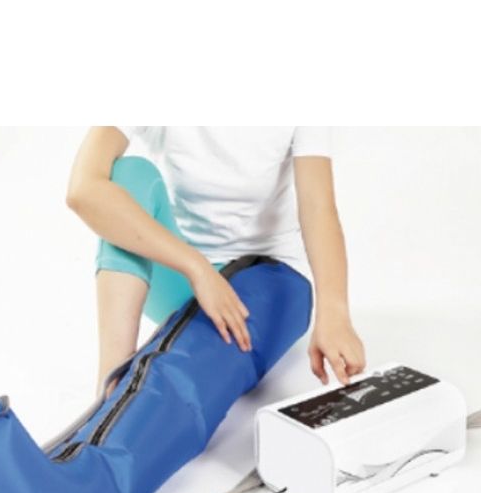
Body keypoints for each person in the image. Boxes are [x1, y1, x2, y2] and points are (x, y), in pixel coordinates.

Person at [66, 126, 365, 395]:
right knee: (129, 174)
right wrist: (198, 269)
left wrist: (335, 313)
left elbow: (318, 206)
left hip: (262, 282)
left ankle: (129, 407)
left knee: (194, 378)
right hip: (184, 277)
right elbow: (83, 190)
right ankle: (111, 389)